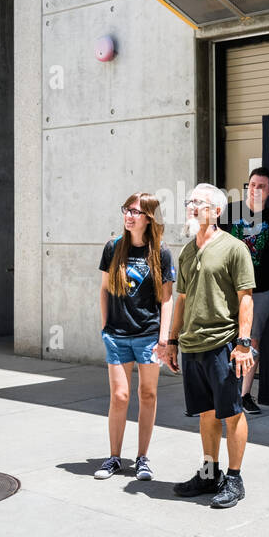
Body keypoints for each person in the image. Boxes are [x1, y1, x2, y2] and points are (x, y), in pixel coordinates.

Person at [156, 184, 256, 508]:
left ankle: (235, 478)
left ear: (216, 211)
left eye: (197, 203)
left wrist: (243, 345)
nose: (190, 207)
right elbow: (181, 300)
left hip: (223, 345)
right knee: (206, 413)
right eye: (189, 202)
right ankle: (210, 473)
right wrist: (172, 341)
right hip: (192, 346)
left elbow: (246, 300)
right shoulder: (186, 252)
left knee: (232, 414)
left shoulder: (234, 249)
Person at [94, 193, 175, 480]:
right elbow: (104, 289)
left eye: (135, 212)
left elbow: (167, 299)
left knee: (148, 394)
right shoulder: (113, 247)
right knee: (120, 396)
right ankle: (114, 457)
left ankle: (142, 458)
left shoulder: (161, 252)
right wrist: (105, 326)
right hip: (116, 335)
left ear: (148, 218)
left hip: (149, 336)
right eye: (126, 210)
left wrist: (164, 338)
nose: (128, 216)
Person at [221, 166, 269, 414]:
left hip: (258, 292)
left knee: (252, 340)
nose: (255, 190)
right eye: (252, 185)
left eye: (261, 186)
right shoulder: (230, 211)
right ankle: (221, 392)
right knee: (222, 339)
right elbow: (212, 243)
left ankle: (245, 395)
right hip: (226, 290)